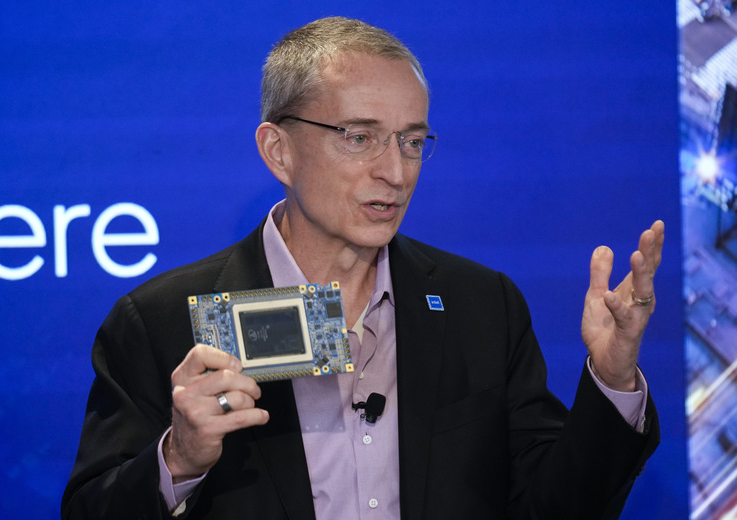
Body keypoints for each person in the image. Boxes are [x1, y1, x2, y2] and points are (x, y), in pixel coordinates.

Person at [62, 16, 664, 519]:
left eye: (411, 141)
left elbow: (558, 507)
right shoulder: (163, 321)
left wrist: (612, 379)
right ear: (279, 150)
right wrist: (178, 460)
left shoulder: (482, 304)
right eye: (359, 137)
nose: (396, 173)